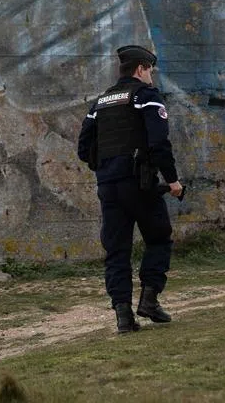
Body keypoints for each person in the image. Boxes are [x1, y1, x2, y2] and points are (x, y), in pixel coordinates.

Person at [77, 44, 183, 333]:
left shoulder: (100, 103)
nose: (152, 76)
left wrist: (107, 168)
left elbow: (83, 148)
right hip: (140, 184)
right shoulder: (146, 97)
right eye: (150, 70)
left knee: (117, 251)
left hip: (108, 187)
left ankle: (123, 316)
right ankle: (149, 299)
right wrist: (172, 181)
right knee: (159, 239)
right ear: (140, 69)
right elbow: (159, 143)